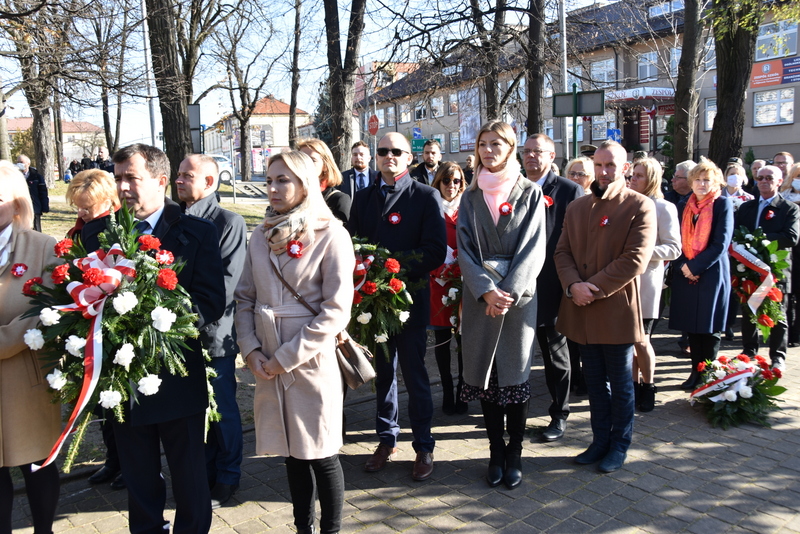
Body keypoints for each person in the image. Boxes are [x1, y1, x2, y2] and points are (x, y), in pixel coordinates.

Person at [81, 144, 225, 533]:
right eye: (118, 178)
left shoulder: (197, 232)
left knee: (189, 476)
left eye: (132, 177)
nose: (122, 187)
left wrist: (156, 323)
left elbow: (211, 301)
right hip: (123, 376)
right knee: (139, 478)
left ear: (161, 181)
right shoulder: (97, 233)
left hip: (176, 374)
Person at [235, 150, 353, 534]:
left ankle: (330, 530)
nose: (273, 188)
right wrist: (250, 349)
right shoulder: (259, 235)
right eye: (269, 180)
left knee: (321, 453)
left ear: (305, 184)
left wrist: (285, 358)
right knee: (291, 453)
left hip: (311, 360)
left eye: (283, 180)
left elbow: (335, 311)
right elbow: (244, 297)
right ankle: (303, 528)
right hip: (267, 357)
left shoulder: (331, 233)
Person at [348, 132, 446, 482]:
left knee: (415, 375)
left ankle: (423, 444)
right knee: (383, 375)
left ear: (409, 157)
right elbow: (353, 244)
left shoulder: (425, 195)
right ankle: (386, 439)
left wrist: (390, 265)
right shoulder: (363, 198)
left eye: (396, 151)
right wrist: (366, 269)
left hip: (409, 303)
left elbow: (435, 250)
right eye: (382, 151)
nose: (388, 155)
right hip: (373, 304)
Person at [555, 140, 656, 473]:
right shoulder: (577, 207)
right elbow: (562, 252)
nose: (604, 171)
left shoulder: (639, 205)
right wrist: (573, 285)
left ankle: (619, 445)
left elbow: (635, 260)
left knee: (621, 384)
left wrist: (591, 289)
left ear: (624, 168)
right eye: (599, 165)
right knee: (596, 384)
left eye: (611, 165)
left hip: (615, 312)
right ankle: (599, 442)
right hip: (581, 309)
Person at [457, 121, 546, 489]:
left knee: (515, 377)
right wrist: (486, 292)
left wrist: (506, 293)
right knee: (487, 377)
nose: (488, 150)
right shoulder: (470, 196)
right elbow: (464, 250)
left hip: (517, 301)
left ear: (511, 149)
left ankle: (515, 453)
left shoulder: (530, 193)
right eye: (483, 143)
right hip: (481, 300)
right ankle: (495, 451)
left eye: (496, 143)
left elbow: (534, 248)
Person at [177, 154, 247, 508]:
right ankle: (203, 474)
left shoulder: (228, 222)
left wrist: (180, 318)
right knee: (193, 411)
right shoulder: (173, 220)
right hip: (177, 335)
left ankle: (228, 476)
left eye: (187, 175)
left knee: (222, 409)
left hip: (213, 335)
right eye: (178, 174)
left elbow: (227, 285)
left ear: (209, 182)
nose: (178, 180)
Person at [0, 161, 61, 534]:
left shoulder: (42, 247)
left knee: (37, 465)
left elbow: (46, 312)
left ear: (18, 203)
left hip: (27, 380)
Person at [64, 169, 126, 491]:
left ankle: (129, 463)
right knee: (101, 401)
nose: (81, 212)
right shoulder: (82, 229)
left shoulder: (112, 229)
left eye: (87, 206)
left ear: (107, 200)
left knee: (117, 401)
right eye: (78, 206)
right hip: (88, 323)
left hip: (112, 326)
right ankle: (114, 460)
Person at [521, 134, 583, 442]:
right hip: (517, 287)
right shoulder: (514, 187)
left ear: (551, 156)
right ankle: (514, 413)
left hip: (552, 286)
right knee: (516, 356)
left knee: (555, 355)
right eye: (527, 151)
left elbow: (578, 242)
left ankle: (559, 414)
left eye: (538, 151)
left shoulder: (569, 191)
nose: (531, 156)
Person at [669, 158, 734, 389]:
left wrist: (694, 267)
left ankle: (709, 375)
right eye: (697, 179)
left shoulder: (722, 204)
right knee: (692, 327)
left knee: (709, 327)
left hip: (711, 273)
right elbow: (675, 240)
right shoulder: (683, 205)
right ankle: (695, 373)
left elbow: (721, 243)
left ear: (716, 182)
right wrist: (683, 266)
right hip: (686, 273)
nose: (702, 184)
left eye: (707, 180)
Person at [627, 158, 681, 411]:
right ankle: (632, 385)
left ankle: (648, 386)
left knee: (642, 340)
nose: (633, 180)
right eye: (632, 175)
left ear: (652, 179)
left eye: (639, 175)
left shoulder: (664, 207)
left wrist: (640, 253)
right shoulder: (626, 203)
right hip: (622, 282)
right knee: (626, 341)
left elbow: (673, 248)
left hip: (646, 282)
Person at [736, 164, 800, 372]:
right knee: (748, 311)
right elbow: (736, 234)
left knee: (778, 315)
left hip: (775, 270)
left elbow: (791, 237)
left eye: (769, 178)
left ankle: (778, 356)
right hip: (748, 268)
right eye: (760, 178)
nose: (764, 181)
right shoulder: (746, 208)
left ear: (780, 181)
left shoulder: (790, 208)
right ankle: (748, 351)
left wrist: (756, 239)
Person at [429, 162, 468, 416]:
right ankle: (446, 391)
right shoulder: (430, 207)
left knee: (463, 341)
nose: (451, 186)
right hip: (438, 283)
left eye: (456, 181)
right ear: (438, 182)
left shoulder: (469, 207)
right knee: (442, 341)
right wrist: (438, 270)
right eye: (446, 180)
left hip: (464, 282)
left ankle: (463, 391)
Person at [298, 138, 351, 223]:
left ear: (325, 166)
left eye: (312, 160)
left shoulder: (338, 199)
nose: (305, 164)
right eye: (301, 159)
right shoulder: (290, 196)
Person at [65, 169, 120, 240]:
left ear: (107, 203)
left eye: (86, 208)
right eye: (77, 207)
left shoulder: (121, 234)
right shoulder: (74, 234)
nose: (80, 214)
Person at [16, 155, 49, 232]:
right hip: (20, 207)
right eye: (18, 162)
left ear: (28, 163)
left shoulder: (37, 176)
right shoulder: (14, 176)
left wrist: (44, 207)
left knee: (36, 228)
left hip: (35, 206)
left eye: (21, 162)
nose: (19, 164)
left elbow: (43, 192)